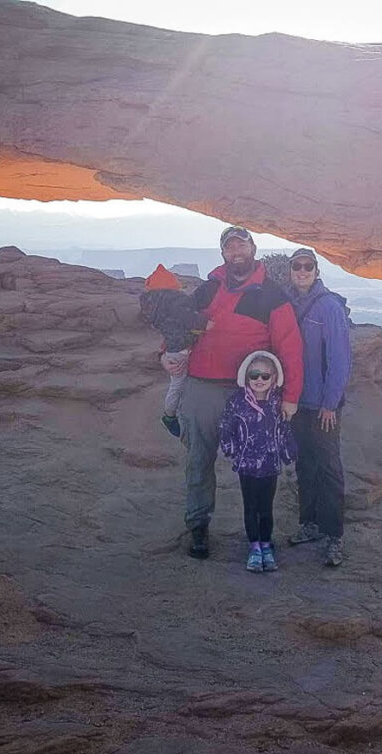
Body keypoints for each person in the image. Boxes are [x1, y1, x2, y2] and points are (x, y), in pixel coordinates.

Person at [161, 225, 303, 560]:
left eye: (242, 246)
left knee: (254, 464)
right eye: (230, 248)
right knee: (198, 459)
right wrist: (167, 351)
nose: (236, 252)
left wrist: (292, 397)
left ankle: (257, 536)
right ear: (223, 253)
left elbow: (291, 350)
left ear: (253, 248)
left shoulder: (272, 295)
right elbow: (180, 323)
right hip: (202, 387)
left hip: (249, 393)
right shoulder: (208, 289)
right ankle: (198, 526)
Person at [284, 248, 352, 567]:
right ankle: (309, 524)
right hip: (297, 403)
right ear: (290, 271)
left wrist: (330, 403)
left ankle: (334, 535)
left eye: (307, 266)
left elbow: (339, 359)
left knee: (328, 468)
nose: (301, 271)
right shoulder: (288, 304)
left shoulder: (328, 306)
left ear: (316, 271)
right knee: (305, 465)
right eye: (296, 267)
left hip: (323, 406)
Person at [219, 351, 297, 572]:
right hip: (247, 465)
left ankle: (266, 545)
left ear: (274, 377)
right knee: (250, 506)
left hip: (270, 465)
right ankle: (254, 547)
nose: (259, 380)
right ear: (246, 377)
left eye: (265, 375)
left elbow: (283, 430)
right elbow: (227, 427)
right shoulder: (237, 402)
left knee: (266, 508)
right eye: (254, 375)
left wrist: (288, 452)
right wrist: (230, 450)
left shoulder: (277, 404)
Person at [138, 264, 211, 437]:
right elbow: (186, 319)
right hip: (181, 349)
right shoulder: (174, 302)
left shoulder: (154, 305)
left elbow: (172, 329)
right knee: (179, 384)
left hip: (174, 348)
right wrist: (205, 324)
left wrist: (163, 354)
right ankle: (170, 416)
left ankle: (175, 415)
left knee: (179, 383)